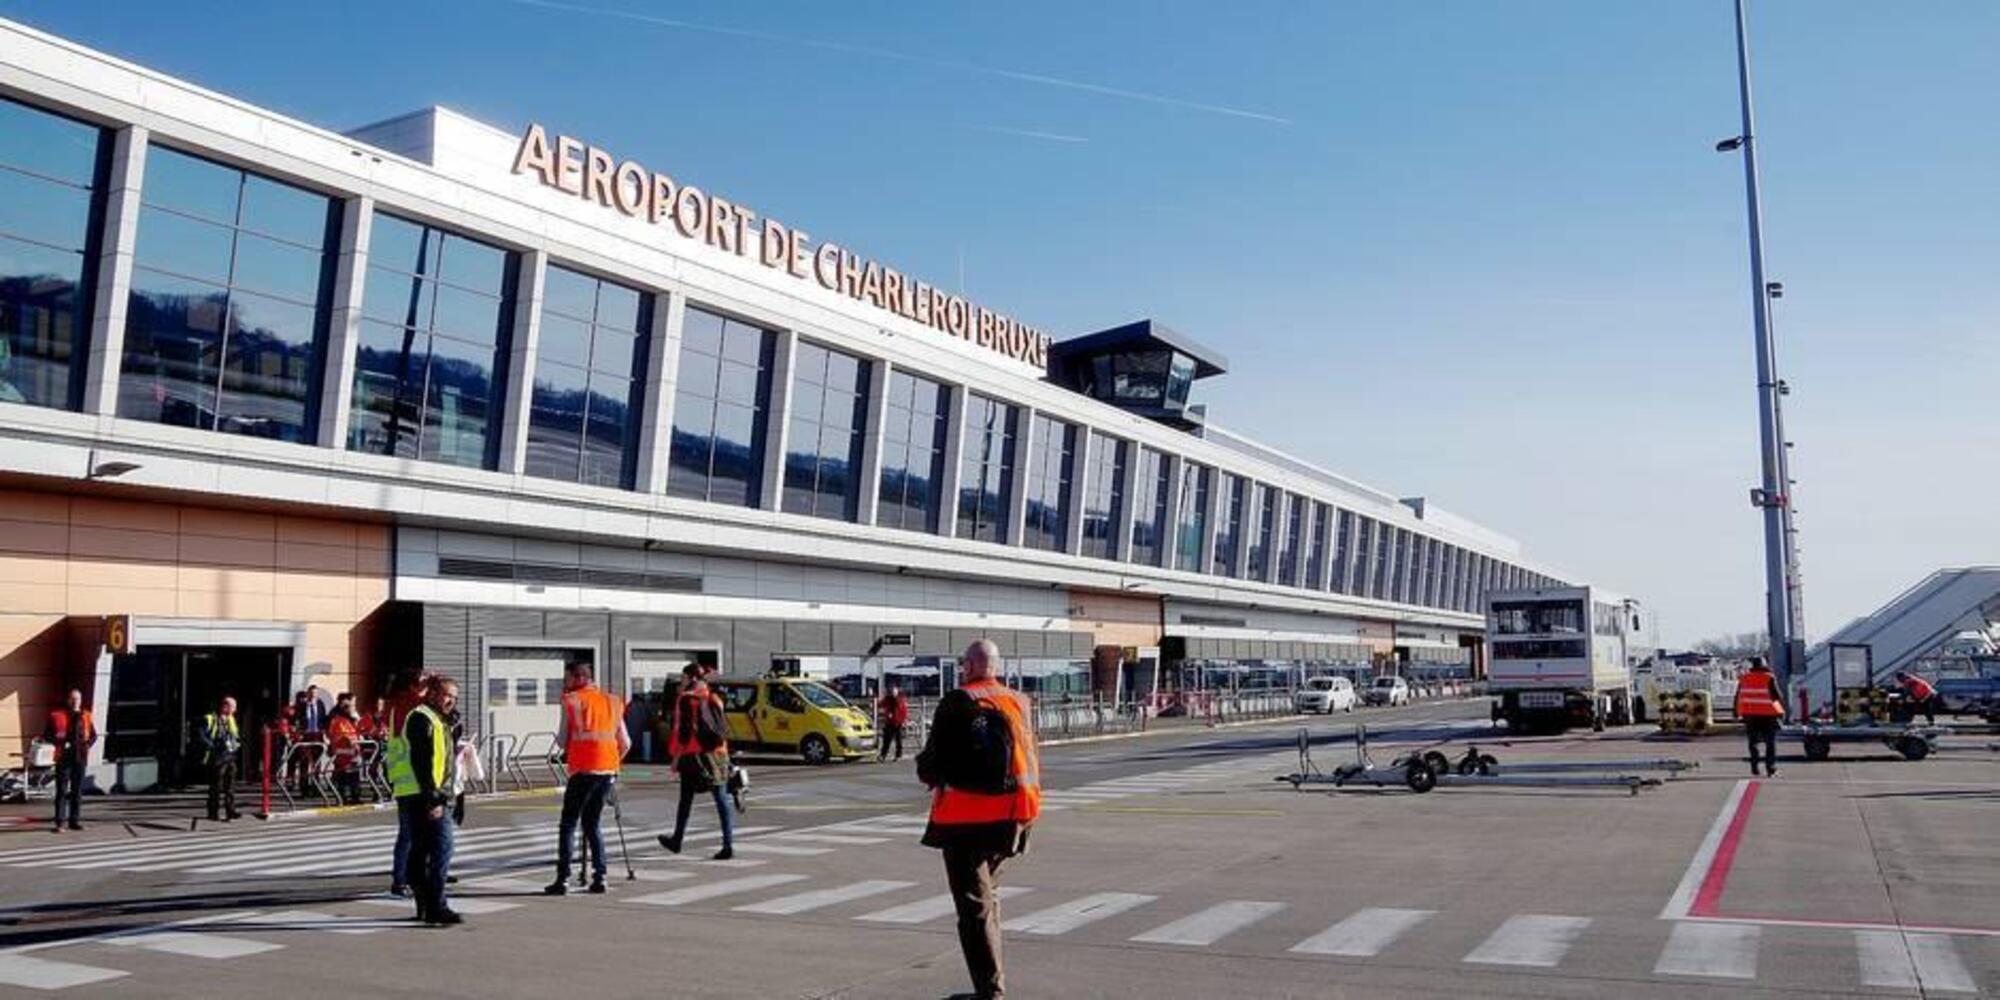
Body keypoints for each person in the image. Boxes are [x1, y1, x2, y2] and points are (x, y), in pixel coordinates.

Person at [917, 640, 1041, 1000]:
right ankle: (991, 985)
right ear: (996, 667)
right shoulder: (1019, 701)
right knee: (989, 900)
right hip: (1017, 815)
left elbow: (932, 763)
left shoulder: (958, 702)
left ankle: (990, 994)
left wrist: (929, 773)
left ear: (970, 666)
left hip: (966, 819)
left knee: (974, 908)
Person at [546, 662, 631, 895]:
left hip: (582, 770)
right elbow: (626, 742)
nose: (566, 683)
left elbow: (562, 740)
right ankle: (600, 877)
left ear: (579, 677)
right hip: (607, 771)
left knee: (568, 824)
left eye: (568, 678)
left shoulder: (571, 701)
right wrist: (613, 761)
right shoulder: (612, 701)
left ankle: (563, 879)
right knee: (592, 824)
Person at [387, 675, 461, 926]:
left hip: (422, 792)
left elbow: (445, 763)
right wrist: (433, 798)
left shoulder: (437, 720)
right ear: (432, 694)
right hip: (423, 794)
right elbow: (423, 760)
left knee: (421, 850)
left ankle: (426, 905)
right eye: (446, 694)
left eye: (454, 696)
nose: (450, 700)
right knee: (441, 849)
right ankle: (435, 905)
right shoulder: (422, 717)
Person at [658, 664, 735, 860]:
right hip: (719, 753)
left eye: (683, 678)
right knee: (721, 799)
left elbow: (681, 732)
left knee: (686, 799)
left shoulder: (686, 699)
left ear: (692, 678)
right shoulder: (714, 697)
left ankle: (677, 839)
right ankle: (728, 844)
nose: (681, 682)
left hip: (694, 755)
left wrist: (675, 757)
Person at [43, 688, 95, 833]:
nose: (75, 701)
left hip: (80, 758)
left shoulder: (86, 716)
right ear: (68, 700)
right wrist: (59, 742)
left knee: (77, 791)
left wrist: (87, 745)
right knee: (62, 791)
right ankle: (60, 823)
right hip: (64, 758)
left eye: (77, 699)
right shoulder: (57, 716)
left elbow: (93, 735)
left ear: (81, 700)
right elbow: (47, 735)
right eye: (72, 698)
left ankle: (74, 821)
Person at [1734, 657, 1787, 777]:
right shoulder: (1769, 677)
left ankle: (1754, 768)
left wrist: (1736, 713)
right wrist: (1782, 712)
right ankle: (1771, 769)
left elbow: (1738, 696)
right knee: (1770, 743)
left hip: (1750, 715)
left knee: (1753, 742)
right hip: (1768, 715)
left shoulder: (1744, 678)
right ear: (1764, 665)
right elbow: (1776, 696)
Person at [199, 697, 243, 821]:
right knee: (216, 786)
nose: (235, 710)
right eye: (233, 707)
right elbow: (201, 735)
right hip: (217, 757)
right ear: (224, 706)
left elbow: (235, 736)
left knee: (230, 786)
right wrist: (213, 746)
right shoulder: (210, 719)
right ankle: (213, 813)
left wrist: (236, 744)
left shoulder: (231, 720)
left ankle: (230, 811)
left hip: (230, 756)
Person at [328, 695, 362, 805]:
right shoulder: (339, 721)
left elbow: (357, 733)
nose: (353, 709)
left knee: (354, 775)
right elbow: (344, 736)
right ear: (345, 709)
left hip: (352, 753)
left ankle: (355, 796)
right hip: (343, 753)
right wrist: (353, 742)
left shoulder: (351, 721)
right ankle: (342, 797)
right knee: (343, 776)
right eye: (351, 707)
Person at [877, 683, 910, 762]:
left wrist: (905, 720)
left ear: (897, 691)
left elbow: (904, 710)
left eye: (894, 691)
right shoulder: (887, 699)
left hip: (898, 722)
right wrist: (877, 704)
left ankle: (898, 755)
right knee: (886, 740)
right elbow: (881, 704)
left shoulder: (900, 699)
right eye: (891, 691)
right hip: (889, 722)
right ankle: (883, 755)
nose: (893, 692)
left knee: (898, 740)